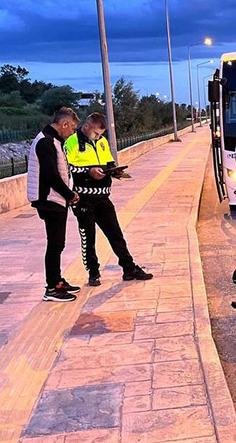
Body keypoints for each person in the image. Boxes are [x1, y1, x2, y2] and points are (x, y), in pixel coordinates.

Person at [65, 113, 153, 286]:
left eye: (101, 134)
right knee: (88, 238)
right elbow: (68, 167)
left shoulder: (102, 142)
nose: (99, 137)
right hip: (83, 198)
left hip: (103, 197)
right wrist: (88, 171)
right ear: (87, 127)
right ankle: (93, 272)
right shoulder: (72, 142)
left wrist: (114, 171)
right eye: (96, 134)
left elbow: (108, 162)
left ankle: (129, 268)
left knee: (116, 234)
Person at [27, 107, 81, 302]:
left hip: (55, 199)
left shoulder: (54, 141)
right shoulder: (46, 142)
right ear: (64, 124)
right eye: (72, 129)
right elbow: (51, 176)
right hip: (50, 200)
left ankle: (57, 280)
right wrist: (70, 195)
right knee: (55, 244)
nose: (72, 133)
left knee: (58, 243)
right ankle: (52, 287)